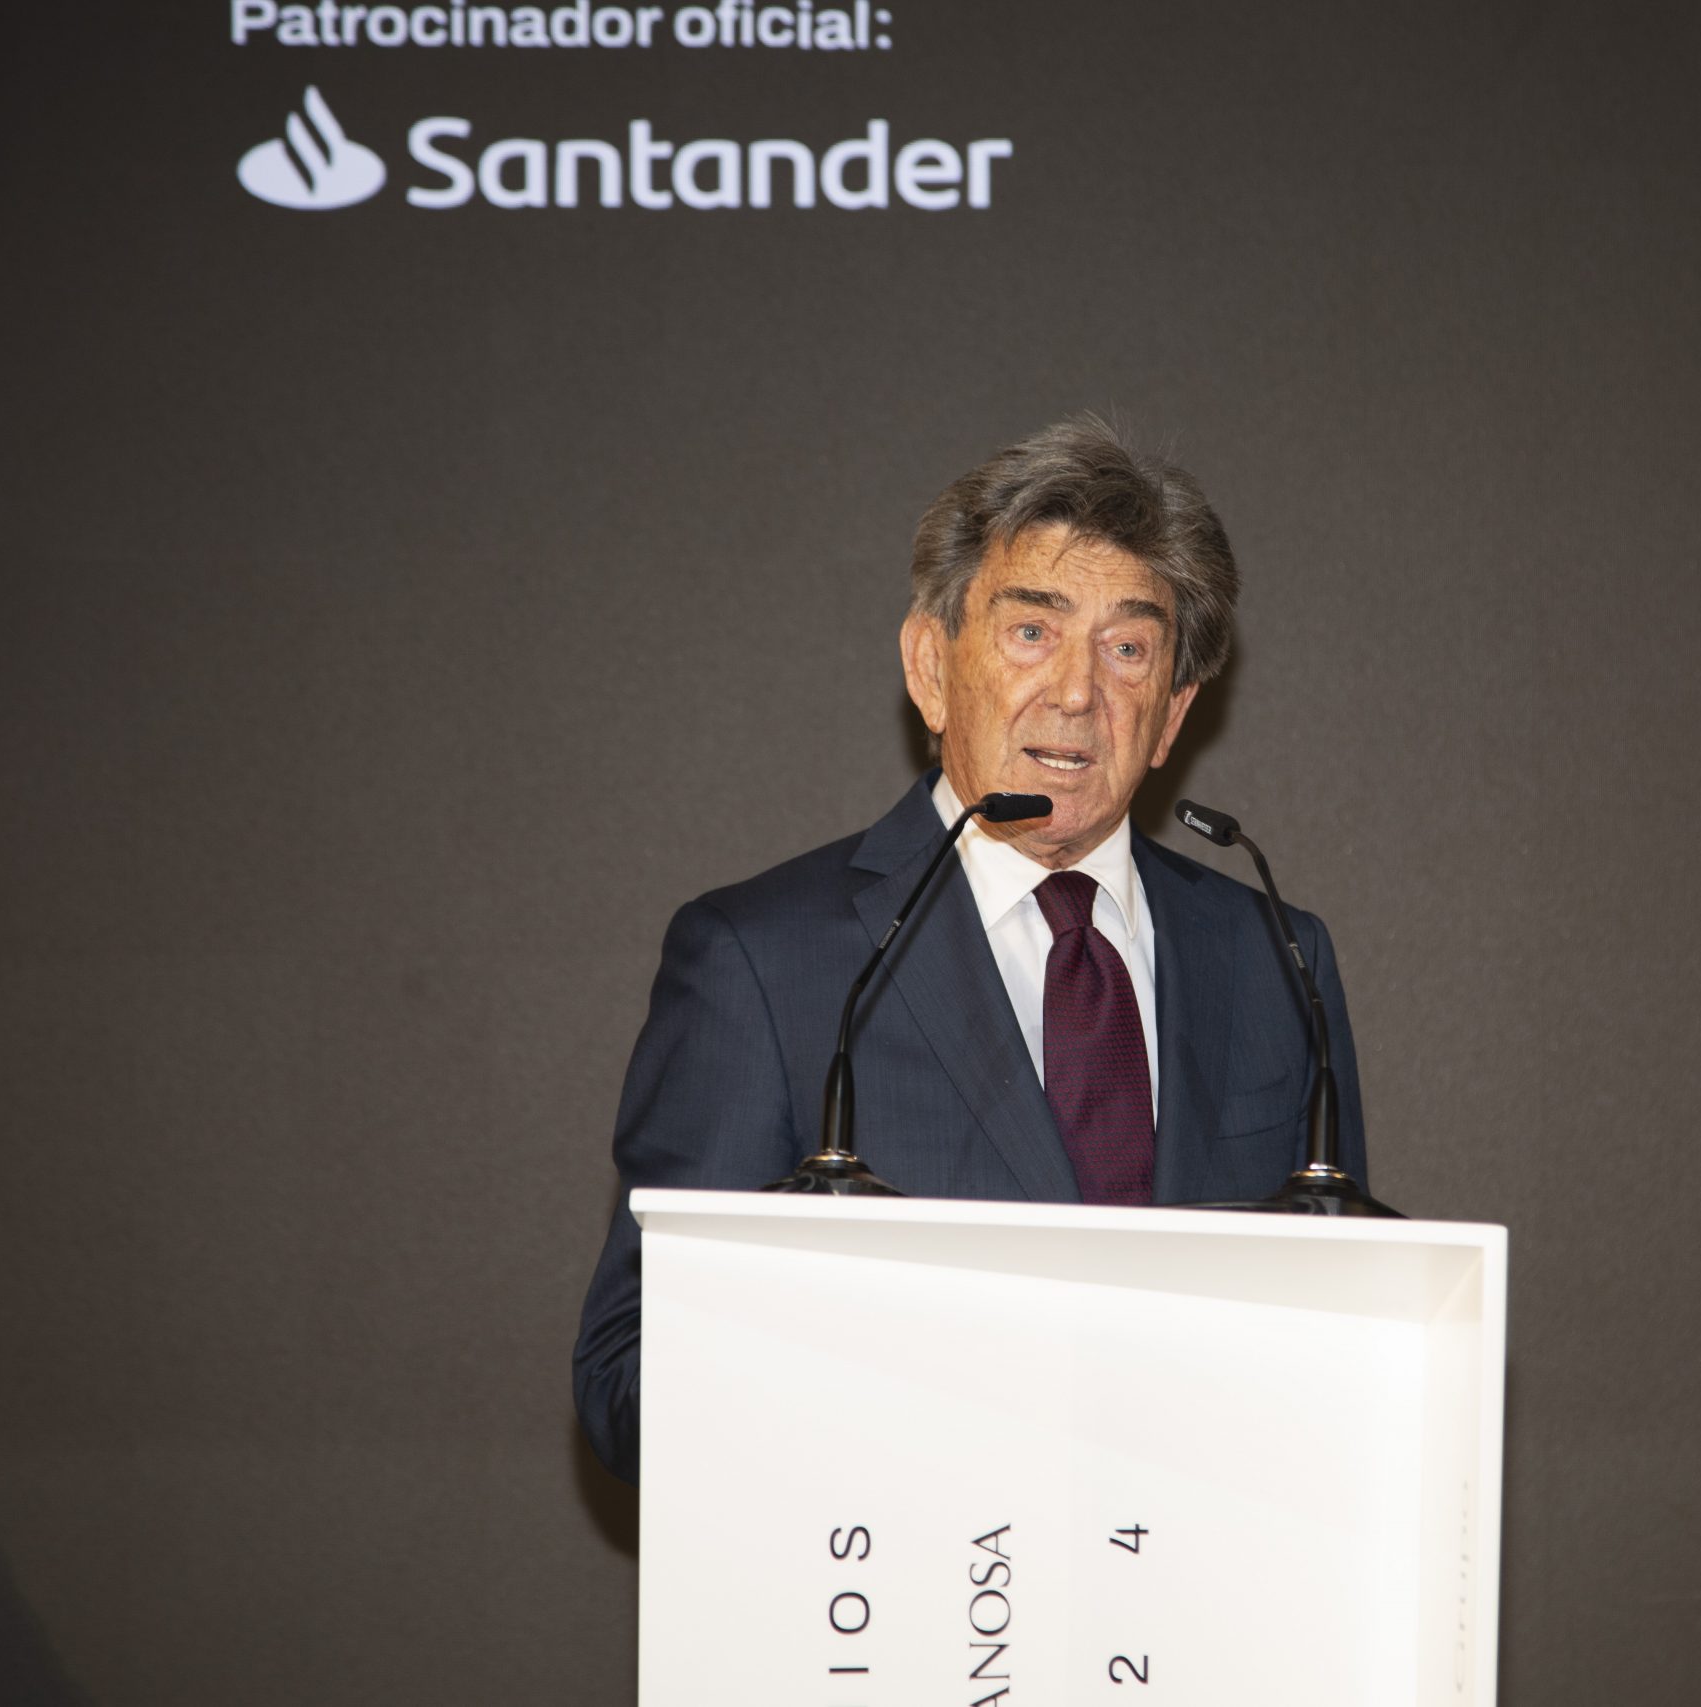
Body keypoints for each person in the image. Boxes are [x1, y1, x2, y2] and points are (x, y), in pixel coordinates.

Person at [571, 417, 1370, 1482]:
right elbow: (631, 1388)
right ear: (930, 667)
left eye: (1128, 648)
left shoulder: (1277, 957)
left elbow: (1350, 1332)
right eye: (1032, 631)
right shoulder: (766, 963)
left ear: (1174, 714)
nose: (1078, 692)